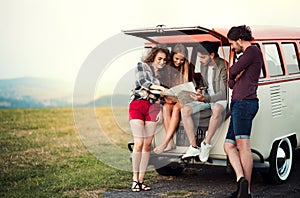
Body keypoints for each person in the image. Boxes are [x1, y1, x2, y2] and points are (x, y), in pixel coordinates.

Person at [224, 25, 263, 198]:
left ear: (239, 39)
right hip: (238, 104)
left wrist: (235, 72)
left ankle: (246, 192)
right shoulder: (244, 57)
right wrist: (235, 74)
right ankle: (241, 180)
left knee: (243, 146)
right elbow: (230, 82)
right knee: (228, 145)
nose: (232, 47)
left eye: (232, 43)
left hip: (245, 104)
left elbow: (231, 72)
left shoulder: (252, 51)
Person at [129, 46, 169, 192]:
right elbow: (143, 83)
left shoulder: (163, 74)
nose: (162, 62)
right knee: (138, 143)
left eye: (164, 60)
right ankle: (134, 179)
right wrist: (160, 89)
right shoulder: (142, 66)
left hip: (153, 108)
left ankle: (141, 180)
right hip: (138, 105)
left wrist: (163, 109)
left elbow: (164, 97)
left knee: (147, 145)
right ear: (153, 57)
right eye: (160, 58)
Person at [181, 41, 227, 161]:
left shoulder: (223, 66)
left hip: (220, 99)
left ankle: (206, 144)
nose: (200, 60)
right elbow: (204, 83)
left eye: (203, 57)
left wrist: (205, 98)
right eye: (199, 57)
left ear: (211, 55)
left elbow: (224, 92)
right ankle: (194, 146)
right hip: (206, 98)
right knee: (185, 110)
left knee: (217, 108)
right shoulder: (204, 65)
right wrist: (200, 90)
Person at [153, 43, 190, 154]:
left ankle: (165, 142)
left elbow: (189, 90)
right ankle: (171, 143)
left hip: (184, 99)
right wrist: (167, 96)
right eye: (176, 59)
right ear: (172, 56)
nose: (179, 62)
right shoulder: (167, 68)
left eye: (182, 60)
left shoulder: (188, 68)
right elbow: (163, 88)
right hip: (171, 98)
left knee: (176, 108)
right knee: (165, 107)